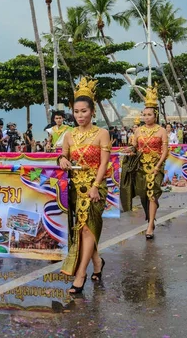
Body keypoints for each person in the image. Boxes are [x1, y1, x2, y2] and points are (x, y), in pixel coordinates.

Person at [57, 77, 110, 295]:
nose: (80, 116)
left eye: (84, 111)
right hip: (75, 188)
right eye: (76, 112)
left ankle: (81, 274)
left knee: (88, 228)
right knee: (81, 230)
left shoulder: (102, 133)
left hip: (95, 187)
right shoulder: (68, 134)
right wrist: (61, 159)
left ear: (92, 111)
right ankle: (98, 264)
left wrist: (95, 186)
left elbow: (105, 163)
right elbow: (63, 155)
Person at [128, 86, 168, 239]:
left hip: (156, 166)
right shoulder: (138, 131)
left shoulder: (161, 130)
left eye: (149, 115)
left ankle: (150, 225)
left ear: (155, 115)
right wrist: (130, 151)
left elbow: (165, 151)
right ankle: (151, 213)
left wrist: (158, 166)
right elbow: (135, 147)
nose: (146, 117)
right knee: (143, 194)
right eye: (144, 115)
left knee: (152, 194)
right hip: (141, 167)